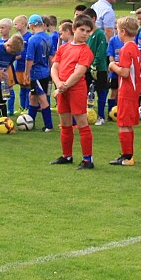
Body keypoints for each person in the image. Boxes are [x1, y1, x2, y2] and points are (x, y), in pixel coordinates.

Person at [49, 15, 96, 169]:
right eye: (82, 30)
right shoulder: (63, 48)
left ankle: (88, 159)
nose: (84, 33)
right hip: (62, 88)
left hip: (76, 89)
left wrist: (62, 87)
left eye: (88, 31)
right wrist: (58, 84)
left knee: (82, 123)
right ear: (74, 29)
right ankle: (66, 155)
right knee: (65, 123)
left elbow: (78, 73)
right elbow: (54, 67)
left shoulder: (86, 51)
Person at [108, 15, 141, 166]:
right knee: (127, 123)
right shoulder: (135, 47)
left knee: (123, 123)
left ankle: (127, 156)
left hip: (127, 90)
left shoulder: (125, 49)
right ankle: (128, 154)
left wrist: (112, 66)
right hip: (134, 90)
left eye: (117, 30)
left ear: (122, 31)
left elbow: (125, 73)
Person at [24, 14, 54, 132]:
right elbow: (51, 56)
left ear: (32, 26)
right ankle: (30, 121)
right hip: (45, 72)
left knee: (42, 98)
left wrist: (26, 73)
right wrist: (52, 70)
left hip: (36, 73)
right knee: (32, 97)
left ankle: (48, 125)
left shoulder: (33, 39)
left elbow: (29, 58)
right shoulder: (48, 38)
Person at [84, 7, 109, 125]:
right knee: (87, 92)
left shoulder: (100, 34)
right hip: (87, 67)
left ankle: (101, 116)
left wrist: (95, 64)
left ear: (93, 19)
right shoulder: (87, 34)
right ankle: (87, 114)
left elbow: (101, 51)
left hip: (100, 68)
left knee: (101, 91)